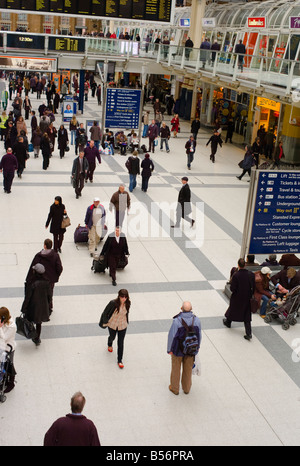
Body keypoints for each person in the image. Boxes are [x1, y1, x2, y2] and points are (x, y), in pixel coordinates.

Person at [167, 301, 201, 395]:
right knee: (188, 369)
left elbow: (172, 336)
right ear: (191, 309)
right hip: (191, 350)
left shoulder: (177, 321)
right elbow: (199, 336)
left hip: (178, 350)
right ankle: (186, 389)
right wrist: (197, 347)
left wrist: (170, 349)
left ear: (181, 308)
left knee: (176, 369)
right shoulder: (197, 320)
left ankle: (175, 388)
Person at [25, 238, 63, 313]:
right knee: (49, 293)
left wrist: (29, 279)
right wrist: (55, 275)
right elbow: (59, 268)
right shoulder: (55, 256)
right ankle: (49, 308)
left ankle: (40, 309)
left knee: (39, 293)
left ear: (44, 246)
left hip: (40, 278)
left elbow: (33, 266)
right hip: (50, 280)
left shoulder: (39, 256)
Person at [223, 258, 255, 340]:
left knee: (233, 309)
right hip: (247, 297)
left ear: (238, 265)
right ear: (245, 265)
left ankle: (228, 322)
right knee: (246, 315)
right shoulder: (251, 274)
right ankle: (248, 333)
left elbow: (233, 288)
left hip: (237, 297)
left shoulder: (236, 275)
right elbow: (253, 286)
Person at [21, 263, 52, 346]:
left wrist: (24, 308)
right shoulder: (47, 282)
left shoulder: (32, 283)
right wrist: (48, 305)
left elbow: (27, 297)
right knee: (39, 323)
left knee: (30, 320)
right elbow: (49, 295)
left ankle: (32, 334)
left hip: (32, 306)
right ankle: (37, 338)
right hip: (42, 306)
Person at [100, 289, 131, 368]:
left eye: (126, 297)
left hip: (122, 325)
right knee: (112, 337)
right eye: (122, 296)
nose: (124, 298)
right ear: (119, 296)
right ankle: (109, 343)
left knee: (121, 343)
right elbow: (105, 312)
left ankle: (120, 360)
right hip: (112, 324)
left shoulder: (128, 303)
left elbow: (127, 313)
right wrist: (106, 321)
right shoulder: (113, 303)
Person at [0, 306, 17, 393]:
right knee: (2, 365)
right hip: (1, 347)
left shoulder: (12, 326)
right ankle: (4, 379)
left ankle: (11, 382)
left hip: (8, 348)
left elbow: (5, 338)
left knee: (9, 365)